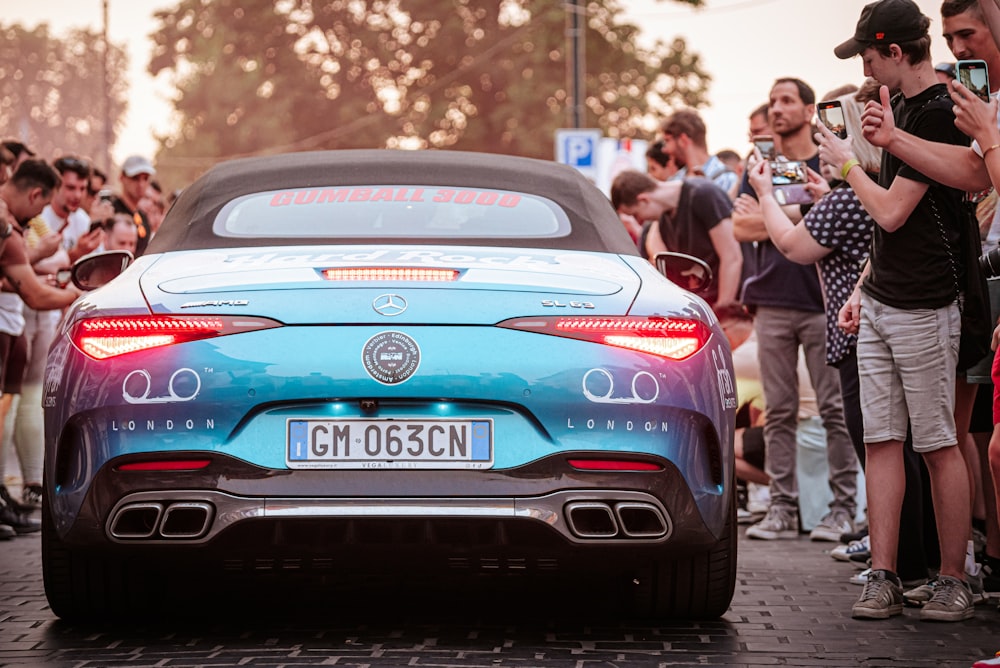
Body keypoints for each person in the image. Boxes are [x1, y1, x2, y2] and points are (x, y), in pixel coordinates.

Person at [823, 0, 976, 622]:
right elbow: (891, 227)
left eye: (866, 53)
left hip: (928, 299)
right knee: (882, 440)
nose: (862, 65)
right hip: (889, 297)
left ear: (894, 51)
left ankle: (952, 579)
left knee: (939, 444)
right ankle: (883, 573)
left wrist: (847, 163)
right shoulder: (903, 108)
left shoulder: (940, 111)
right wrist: (864, 284)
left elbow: (889, 211)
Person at [733, 77, 860, 544]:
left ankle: (844, 511)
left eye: (786, 101)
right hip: (772, 302)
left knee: (835, 409)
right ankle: (782, 510)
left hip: (823, 302)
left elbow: (839, 216)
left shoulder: (828, 161)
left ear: (809, 110)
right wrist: (800, 217)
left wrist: (775, 214)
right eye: (772, 101)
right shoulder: (761, 164)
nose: (776, 109)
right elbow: (740, 226)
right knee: (779, 412)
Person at [0, 159, 83, 537]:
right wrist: (83, 295)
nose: (37, 219)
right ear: (35, 194)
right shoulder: (6, 227)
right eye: (39, 209)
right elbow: (33, 294)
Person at [610, 170, 742, 312]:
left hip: (729, 309)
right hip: (702, 306)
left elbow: (732, 257)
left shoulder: (702, 194)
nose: (640, 220)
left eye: (636, 214)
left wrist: (723, 309)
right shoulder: (664, 214)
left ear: (643, 199)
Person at [659, 108, 740, 198]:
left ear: (683, 140)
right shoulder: (674, 180)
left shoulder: (727, 179)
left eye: (667, 140)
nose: (664, 149)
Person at [111, 155, 155, 256]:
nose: (141, 184)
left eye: (145, 178)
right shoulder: (112, 212)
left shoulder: (143, 217)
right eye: (135, 178)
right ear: (122, 178)